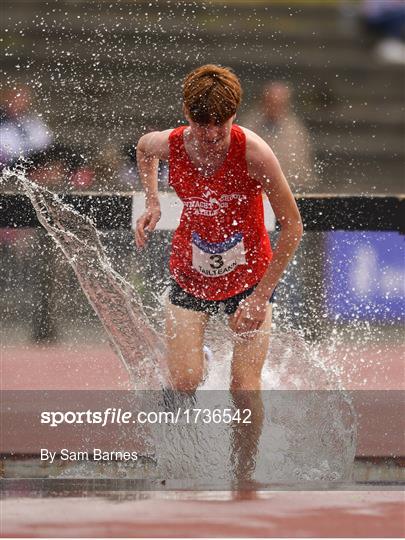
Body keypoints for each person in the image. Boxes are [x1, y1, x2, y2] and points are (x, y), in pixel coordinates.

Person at [134, 64, 303, 395]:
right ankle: (201, 364)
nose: (210, 135)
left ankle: (248, 451)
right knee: (184, 382)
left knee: (244, 388)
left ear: (234, 115)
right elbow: (143, 148)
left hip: (249, 275)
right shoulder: (171, 144)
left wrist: (260, 297)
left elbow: (293, 226)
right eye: (200, 126)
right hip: (191, 271)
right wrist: (152, 202)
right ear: (186, 113)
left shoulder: (255, 154)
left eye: (220, 126)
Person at [240, 81, 317, 194]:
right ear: (263, 101)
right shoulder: (249, 126)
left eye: (279, 103)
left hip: (287, 190)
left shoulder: (295, 130)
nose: (274, 106)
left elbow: (301, 168)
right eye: (271, 102)